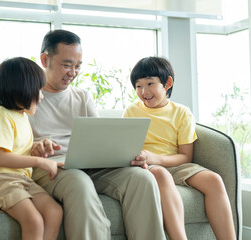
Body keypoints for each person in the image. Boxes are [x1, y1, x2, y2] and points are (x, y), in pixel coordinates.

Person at [29, 29, 166, 240]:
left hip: (90, 164)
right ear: (45, 59)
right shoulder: (25, 96)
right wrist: (34, 146)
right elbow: (11, 145)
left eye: (78, 66)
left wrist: (125, 156)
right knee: (78, 182)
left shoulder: (82, 96)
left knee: (142, 179)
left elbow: (101, 138)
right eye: (66, 65)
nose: (73, 72)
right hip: (51, 167)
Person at [124, 56, 237, 240]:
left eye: (150, 83)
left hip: (174, 163)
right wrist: (147, 159)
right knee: (161, 174)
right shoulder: (131, 111)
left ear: (167, 83)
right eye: (138, 86)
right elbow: (125, 148)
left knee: (214, 180)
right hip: (147, 167)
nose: (144, 91)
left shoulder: (182, 112)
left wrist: (157, 158)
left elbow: (185, 156)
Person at [0, 57, 63, 240]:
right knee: (34, 221)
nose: (42, 96)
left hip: (20, 178)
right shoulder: (2, 116)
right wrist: (40, 161)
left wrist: (37, 147)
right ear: (21, 90)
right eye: (38, 90)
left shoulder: (22, 117)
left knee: (54, 212)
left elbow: (17, 149)